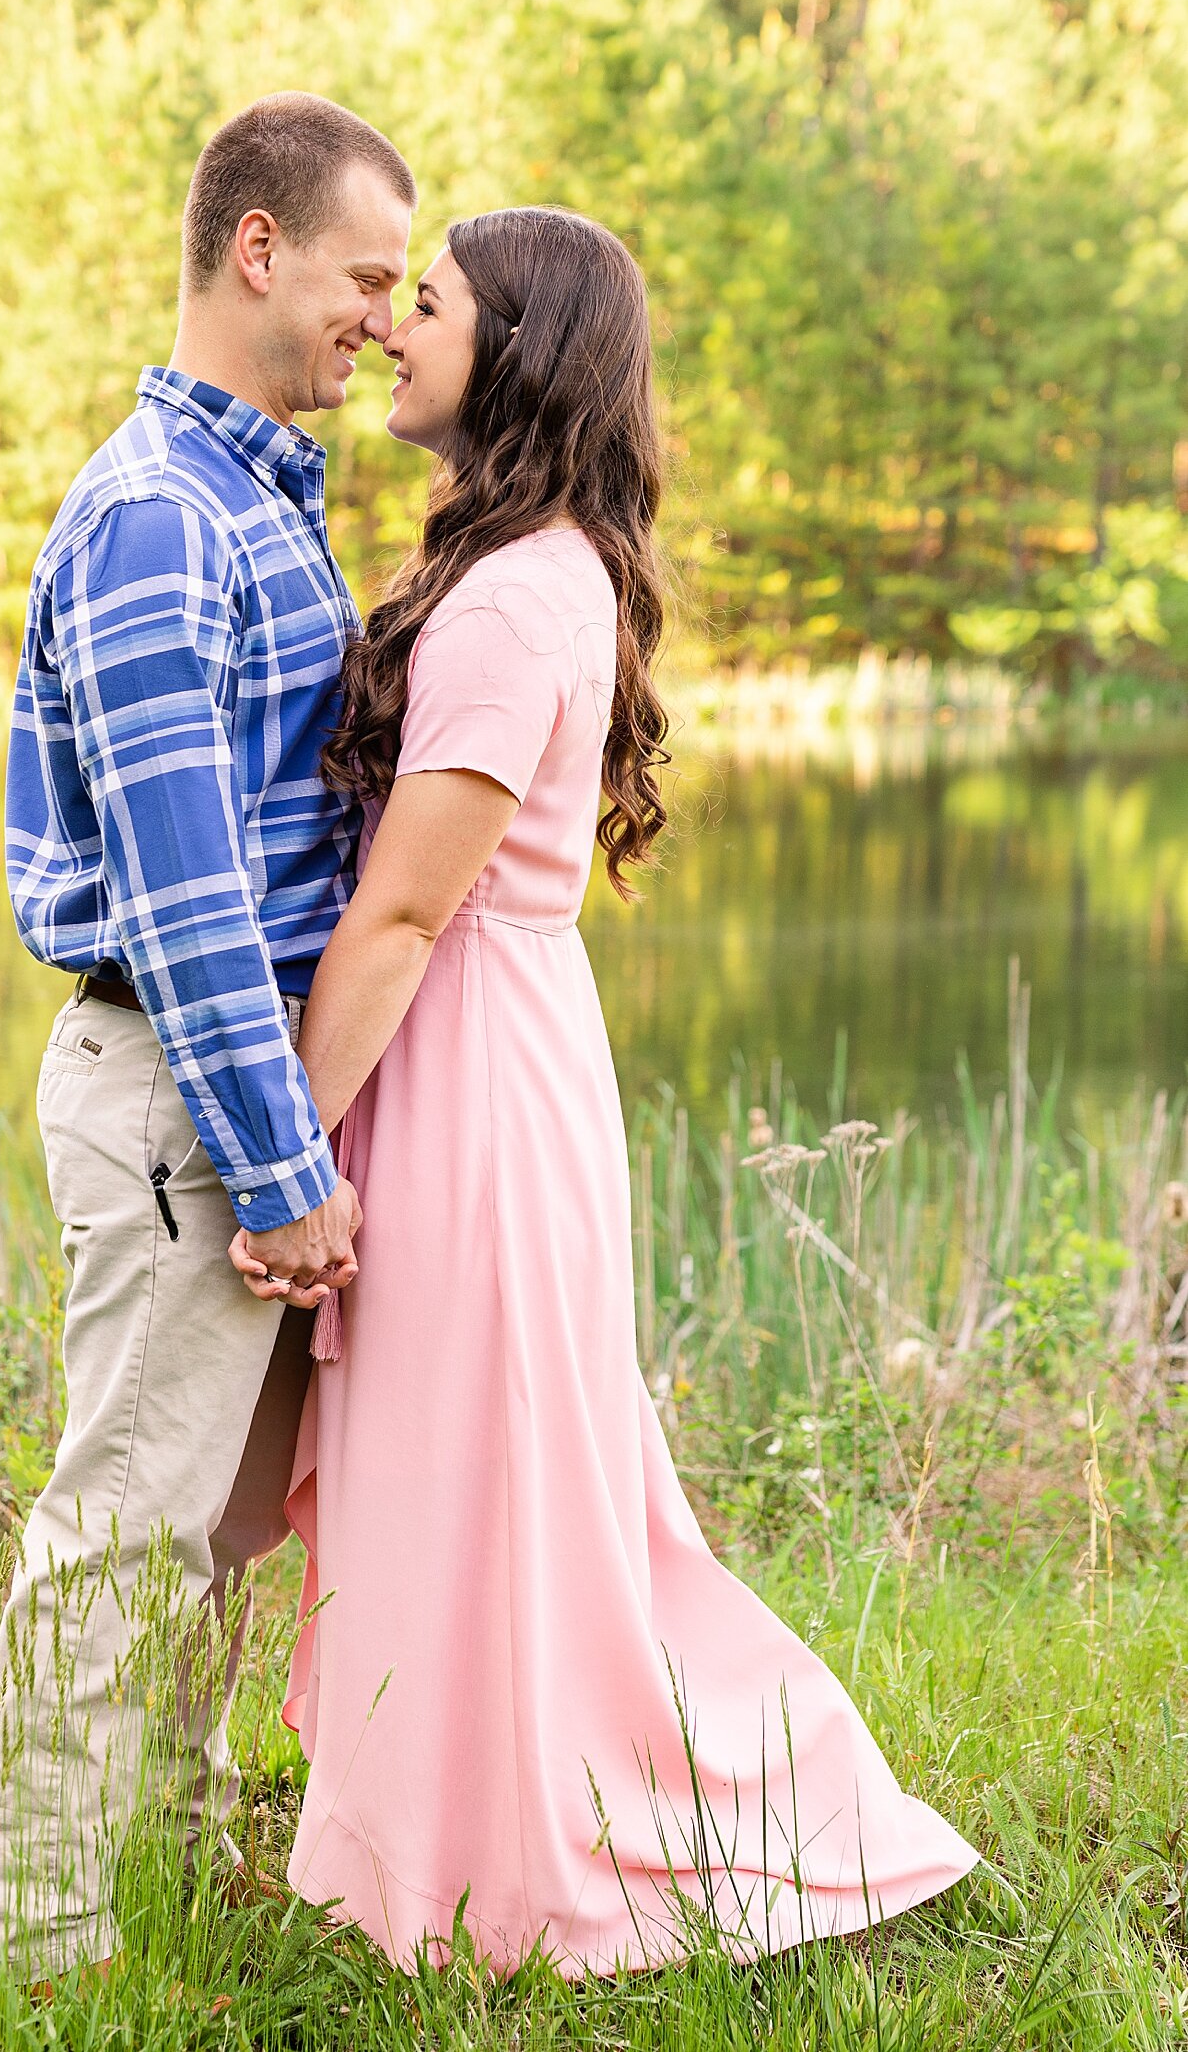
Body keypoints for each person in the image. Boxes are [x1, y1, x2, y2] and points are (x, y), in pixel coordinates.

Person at [231, 206, 980, 1975]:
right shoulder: (538, 565)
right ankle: (432, 1849)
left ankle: (519, 1860)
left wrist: (283, 1161)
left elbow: (409, 910)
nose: (399, 327)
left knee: (483, 1471)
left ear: (523, 353)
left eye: (437, 304)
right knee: (485, 1474)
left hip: (470, 1079)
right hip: (506, 1053)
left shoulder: (510, 600)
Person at [0, 92, 415, 1984]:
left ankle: (179, 1862)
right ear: (257, 249)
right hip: (180, 1095)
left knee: (215, 1532)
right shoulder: (162, 517)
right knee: (125, 1527)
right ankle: (40, 1954)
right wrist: (284, 1166)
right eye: (364, 277)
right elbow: (183, 903)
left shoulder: (255, 500)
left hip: (217, 1097)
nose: (387, 320)